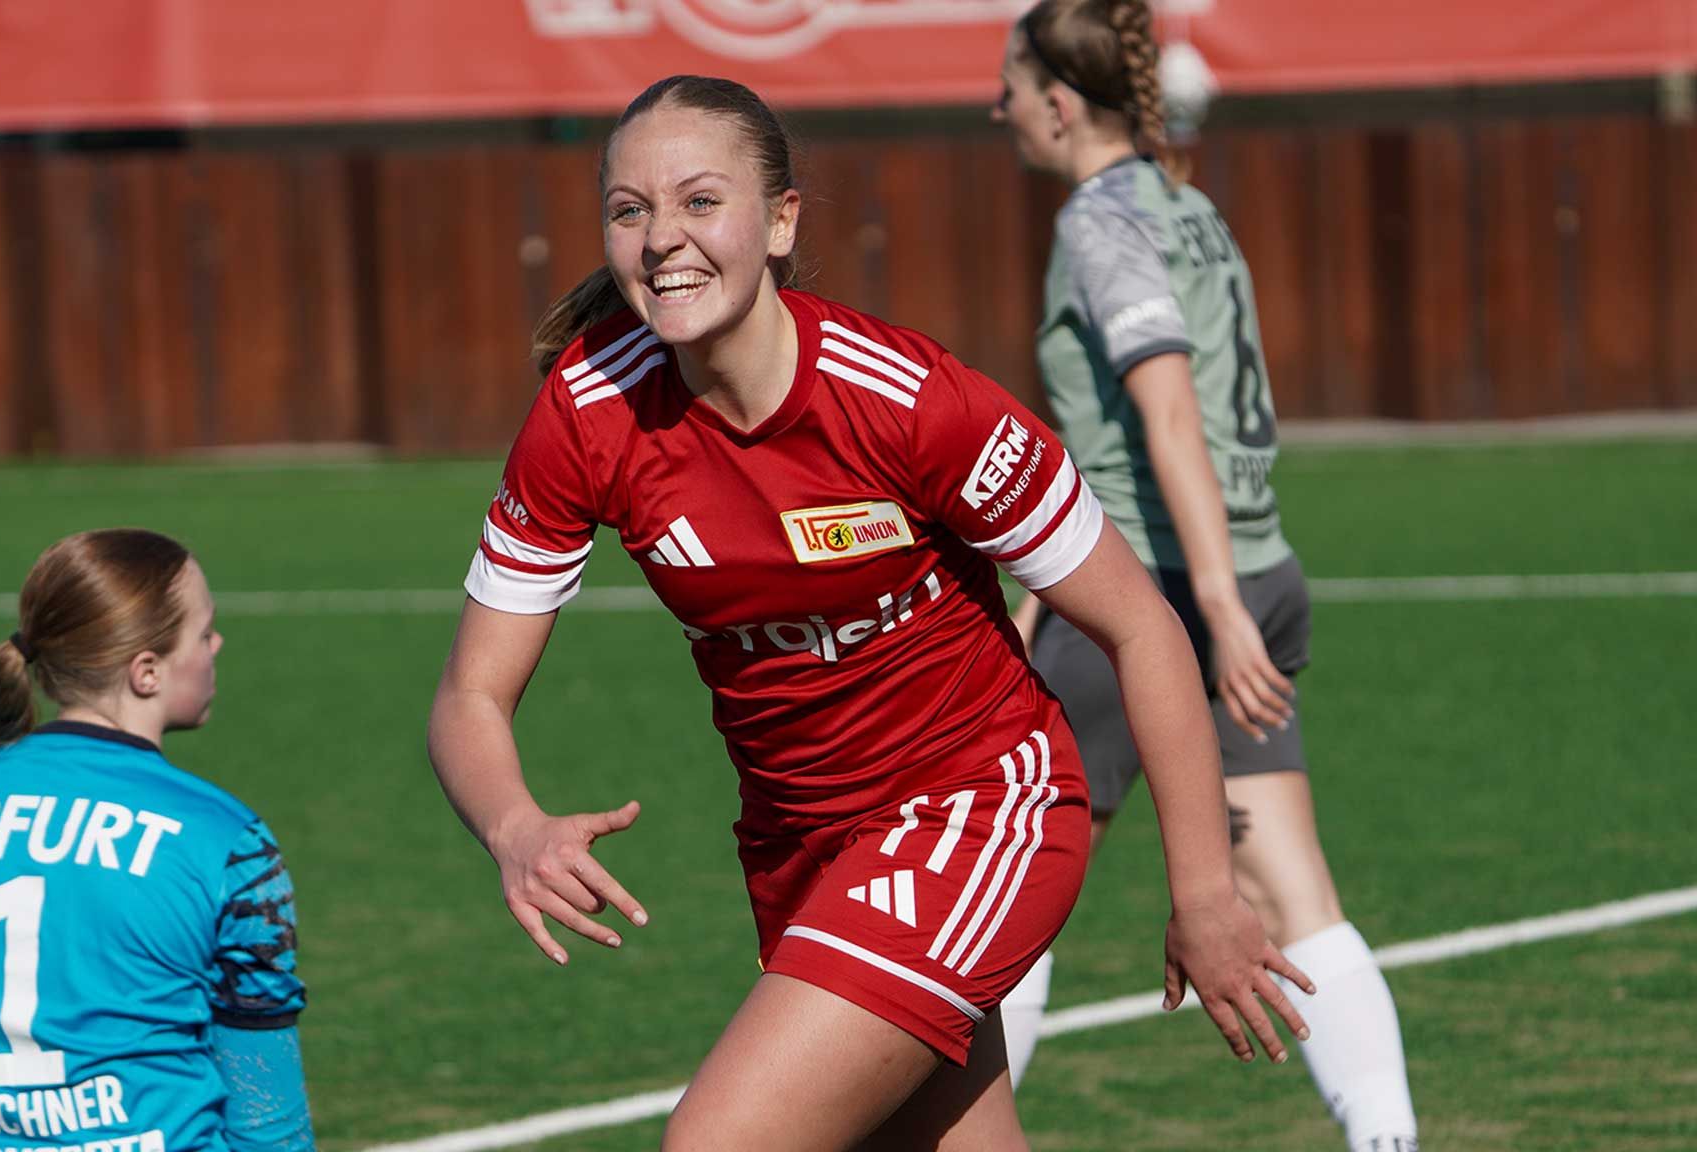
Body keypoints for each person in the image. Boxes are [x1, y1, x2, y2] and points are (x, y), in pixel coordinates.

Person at [428, 74, 1314, 1151]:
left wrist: (1206, 894)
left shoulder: (910, 402)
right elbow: (472, 694)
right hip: (802, 849)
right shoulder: (585, 411)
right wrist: (514, 827)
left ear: (782, 220)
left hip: (980, 808)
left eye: (701, 202)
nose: (663, 239)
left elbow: (1141, 624)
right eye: (630, 210)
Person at [990, 4, 1420, 1150]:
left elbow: (1166, 410)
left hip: (1158, 602)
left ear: (1059, 104)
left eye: (1010, 87)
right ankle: (1391, 1140)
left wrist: (1211, 609)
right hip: (1255, 569)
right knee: (1294, 894)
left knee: (998, 905)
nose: (999, 109)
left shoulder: (1099, 223)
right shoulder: (1190, 203)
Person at [0, 529, 316, 1152]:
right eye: (203, 632)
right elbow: (269, 1123)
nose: (217, 644)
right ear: (146, 671)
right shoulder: (225, 841)